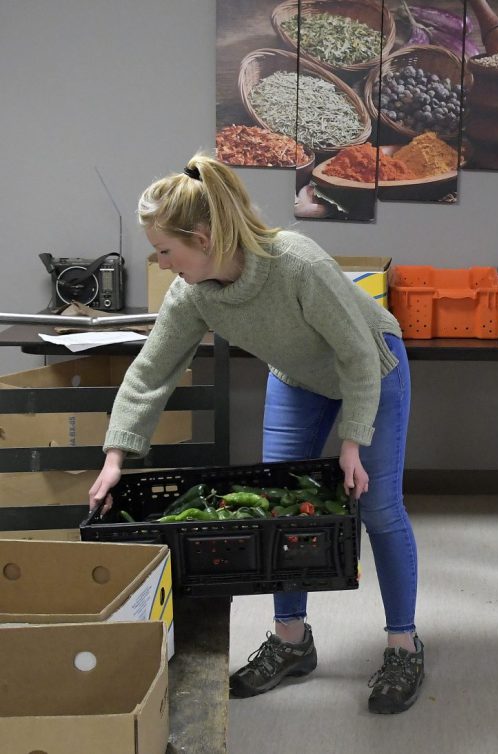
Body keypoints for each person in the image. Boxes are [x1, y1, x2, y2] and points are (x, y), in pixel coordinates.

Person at [88, 152, 424, 714]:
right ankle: (292, 640)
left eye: (166, 251)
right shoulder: (193, 291)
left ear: (202, 237)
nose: (161, 262)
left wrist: (352, 442)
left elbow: (357, 353)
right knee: (278, 510)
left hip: (372, 365)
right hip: (298, 376)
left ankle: (403, 642)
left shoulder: (296, 263)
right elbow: (152, 372)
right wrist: (116, 456)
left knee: (379, 507)